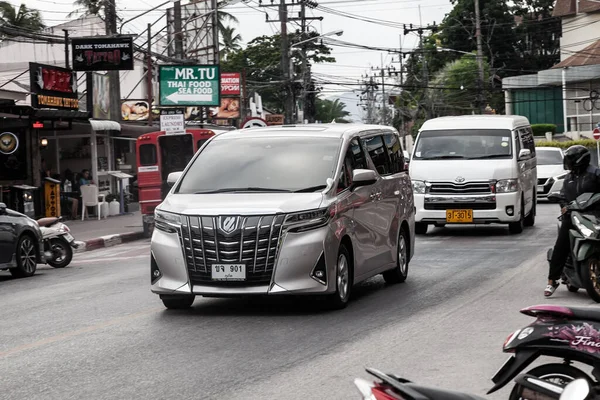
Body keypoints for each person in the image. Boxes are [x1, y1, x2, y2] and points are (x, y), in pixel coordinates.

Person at [545, 145, 600, 296]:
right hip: (573, 215)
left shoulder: (595, 173)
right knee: (561, 246)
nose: (568, 163)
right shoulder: (568, 178)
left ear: (580, 160)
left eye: (570, 160)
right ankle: (552, 280)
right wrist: (564, 206)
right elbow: (562, 196)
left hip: (595, 213)